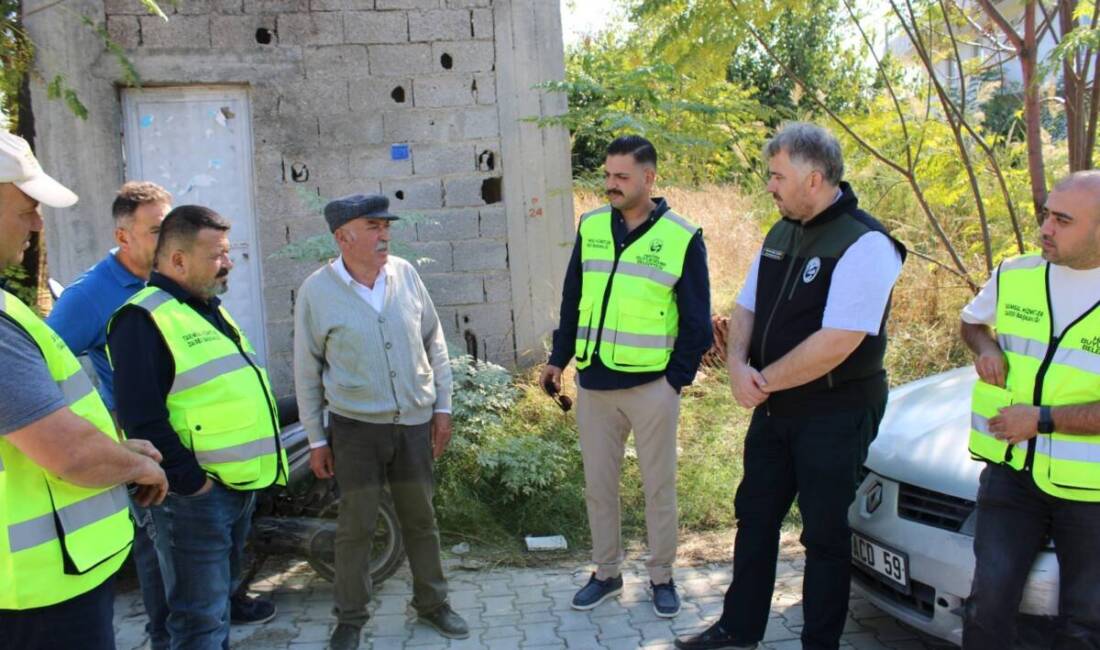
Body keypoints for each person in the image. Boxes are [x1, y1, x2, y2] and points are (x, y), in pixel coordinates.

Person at [676, 122, 906, 650]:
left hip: (835, 411)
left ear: (815, 178)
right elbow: (747, 304)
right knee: (755, 518)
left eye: (777, 175)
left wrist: (762, 382)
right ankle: (739, 630)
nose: (770, 186)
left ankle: (818, 643)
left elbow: (839, 341)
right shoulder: (782, 230)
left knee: (825, 535)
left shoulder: (867, 244)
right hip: (774, 408)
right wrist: (737, 367)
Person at [0, 130, 167, 649]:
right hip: (39, 595)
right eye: (26, 206)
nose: (38, 221)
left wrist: (114, 450)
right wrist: (137, 465)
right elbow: (65, 450)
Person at [540, 135, 713, 618]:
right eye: (608, 176)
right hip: (593, 386)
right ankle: (606, 573)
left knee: (659, 487)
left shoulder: (682, 236)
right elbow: (573, 299)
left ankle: (661, 576)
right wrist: (560, 358)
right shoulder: (592, 225)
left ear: (648, 178)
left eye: (622, 177)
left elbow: (699, 321)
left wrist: (674, 381)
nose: (611, 185)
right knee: (599, 486)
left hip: (651, 387)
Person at [108, 205, 287, 650]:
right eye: (217, 255)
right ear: (179, 260)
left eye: (228, 252)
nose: (227, 263)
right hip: (194, 500)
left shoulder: (208, 309)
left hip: (233, 490)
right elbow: (142, 419)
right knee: (199, 622)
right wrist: (194, 485)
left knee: (210, 612)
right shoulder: (142, 319)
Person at [294, 194, 467, 650]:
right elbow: (306, 371)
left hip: (412, 425)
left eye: (385, 225)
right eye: (372, 226)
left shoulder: (405, 275)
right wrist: (316, 438)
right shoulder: (317, 290)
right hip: (355, 432)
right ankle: (350, 618)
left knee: (421, 520)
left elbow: (435, 342)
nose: (384, 233)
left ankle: (432, 603)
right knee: (356, 527)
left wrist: (443, 408)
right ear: (342, 236)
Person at [960, 171, 1100, 648]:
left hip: (1092, 492)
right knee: (986, 608)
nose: (1045, 228)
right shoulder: (1016, 272)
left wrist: (1040, 420)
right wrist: (986, 348)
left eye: (1063, 220)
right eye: (1046, 214)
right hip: (1012, 474)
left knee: (1086, 624)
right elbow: (973, 321)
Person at [45, 181, 175, 649]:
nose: (168, 240)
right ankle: (164, 635)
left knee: (195, 549)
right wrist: (104, 428)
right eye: (156, 230)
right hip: (144, 446)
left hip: (186, 436)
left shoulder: (169, 275)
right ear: (124, 237)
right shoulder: (91, 295)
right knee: (160, 551)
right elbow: (46, 367)